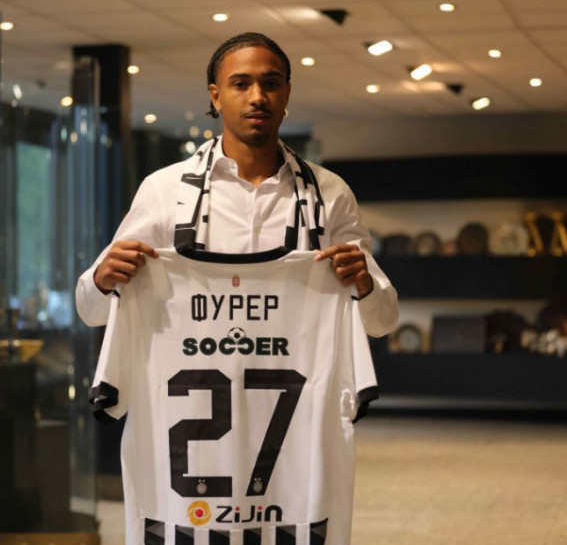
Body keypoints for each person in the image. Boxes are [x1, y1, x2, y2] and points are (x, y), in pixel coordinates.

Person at [76, 31, 398, 338]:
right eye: (241, 84)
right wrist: (103, 279)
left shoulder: (329, 193)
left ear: (286, 93)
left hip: (301, 378)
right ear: (216, 96)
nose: (257, 97)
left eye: (270, 84)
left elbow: (382, 322)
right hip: (191, 376)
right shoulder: (165, 190)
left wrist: (365, 285)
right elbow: (92, 311)